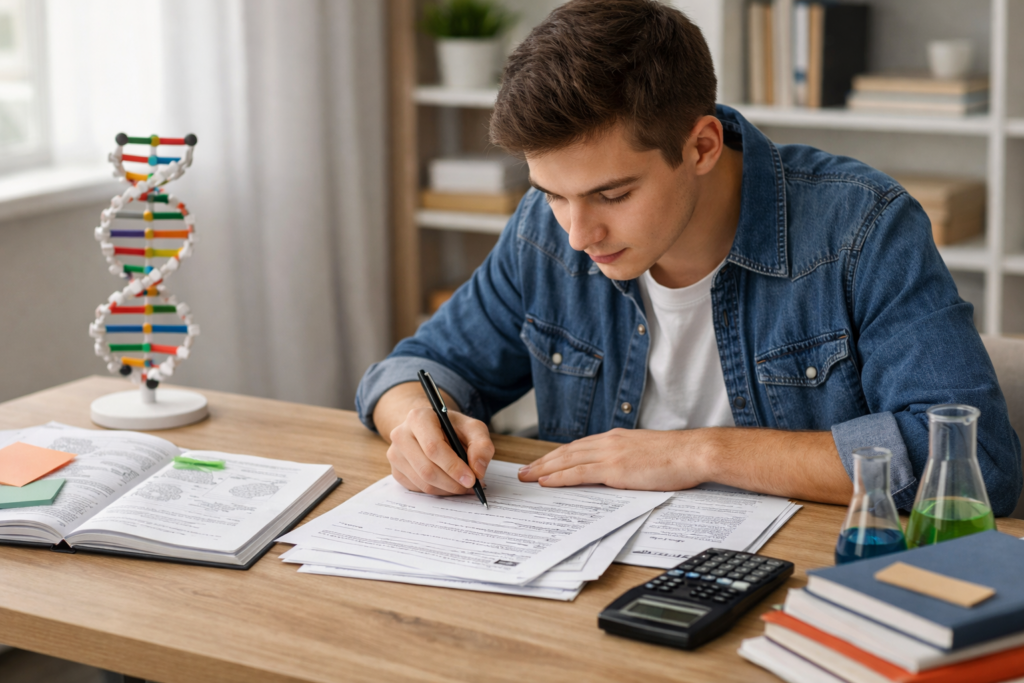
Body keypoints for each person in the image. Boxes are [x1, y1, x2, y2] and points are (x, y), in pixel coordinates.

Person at [357, 0, 1022, 514]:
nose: (578, 234)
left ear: (702, 147)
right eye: (553, 194)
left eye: (611, 193)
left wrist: (699, 452)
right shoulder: (545, 229)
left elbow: (976, 462)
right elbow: (417, 367)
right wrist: (416, 420)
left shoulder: (862, 229)